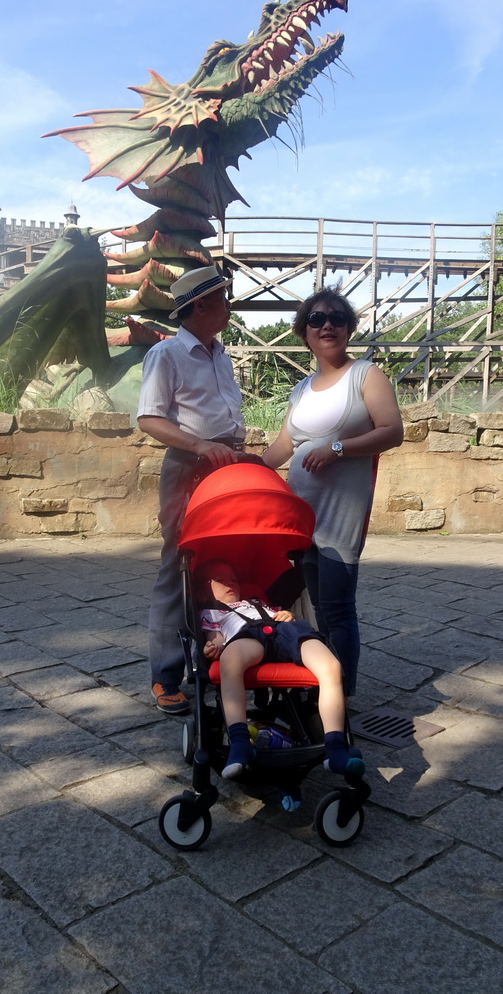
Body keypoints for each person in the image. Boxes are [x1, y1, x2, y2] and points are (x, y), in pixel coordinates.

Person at [262, 285, 403, 697]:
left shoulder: (366, 374)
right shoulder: (302, 388)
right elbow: (284, 446)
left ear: (349, 329)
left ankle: (342, 695)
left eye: (337, 318)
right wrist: (247, 466)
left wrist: (338, 449)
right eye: (317, 319)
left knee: (339, 609)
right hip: (301, 514)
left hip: (340, 515)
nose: (327, 325)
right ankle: (324, 685)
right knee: (318, 607)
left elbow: (392, 431)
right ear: (303, 331)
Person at [138, 265, 246, 715]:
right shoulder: (167, 356)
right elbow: (149, 419)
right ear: (200, 305)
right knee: (177, 565)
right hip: (188, 467)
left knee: (222, 563)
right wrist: (202, 445)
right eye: (223, 297)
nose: (229, 305)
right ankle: (165, 677)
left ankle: (217, 658)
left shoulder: (220, 353)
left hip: (228, 466)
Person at [195, 558, 365, 780]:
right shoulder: (212, 612)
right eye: (220, 580)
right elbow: (215, 636)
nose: (230, 583)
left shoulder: (256, 601)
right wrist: (214, 645)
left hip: (285, 631)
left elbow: (281, 615)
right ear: (202, 593)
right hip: (247, 636)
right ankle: (240, 742)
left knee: (331, 665)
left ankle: (335, 746)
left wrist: (287, 615)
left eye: (233, 579)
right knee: (230, 660)